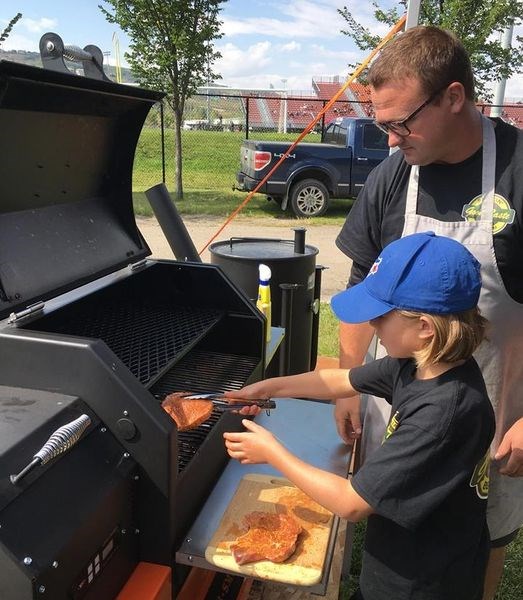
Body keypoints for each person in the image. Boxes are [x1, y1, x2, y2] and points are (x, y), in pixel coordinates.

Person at [334, 25, 523, 599]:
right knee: (393, 521)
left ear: (453, 97)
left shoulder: (518, 168)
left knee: (484, 537)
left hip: (497, 398)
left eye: (400, 122)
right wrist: (347, 384)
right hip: (402, 392)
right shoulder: (394, 175)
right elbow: (361, 278)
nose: (389, 140)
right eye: (380, 123)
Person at [224, 232, 495, 600]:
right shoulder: (420, 364)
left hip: (422, 582)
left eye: (380, 316)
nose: (372, 326)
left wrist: (271, 451)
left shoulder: (444, 413)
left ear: (425, 328)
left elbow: (351, 504)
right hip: (404, 552)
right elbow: (341, 380)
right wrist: (268, 387)